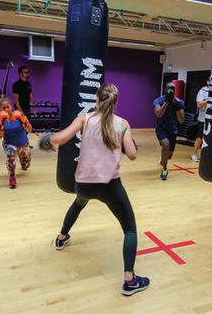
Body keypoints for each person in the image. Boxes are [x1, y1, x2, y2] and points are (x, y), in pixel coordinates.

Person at [39, 83, 148, 296]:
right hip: (110, 187)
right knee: (130, 229)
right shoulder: (122, 124)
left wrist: (46, 140)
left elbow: (61, 138)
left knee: (79, 203)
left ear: (97, 100)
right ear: (116, 103)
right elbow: (133, 155)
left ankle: (61, 237)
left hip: (84, 185)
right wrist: (127, 142)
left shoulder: (85, 119)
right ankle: (130, 281)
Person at [0, 96, 32, 188]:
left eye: (8, 107)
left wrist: (24, 122)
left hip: (23, 143)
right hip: (9, 143)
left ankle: (24, 164)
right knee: (11, 156)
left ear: (11, 107)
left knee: (26, 163)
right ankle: (12, 177)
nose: (7, 109)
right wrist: (1, 125)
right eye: (4, 108)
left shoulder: (19, 116)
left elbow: (29, 130)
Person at [153, 82, 185, 180]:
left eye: (173, 88)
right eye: (169, 88)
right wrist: (166, 102)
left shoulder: (179, 102)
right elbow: (158, 114)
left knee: (169, 155)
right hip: (161, 128)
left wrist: (177, 107)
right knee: (166, 144)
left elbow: (181, 120)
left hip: (172, 130)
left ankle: (163, 160)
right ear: (165, 89)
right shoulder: (159, 100)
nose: (171, 90)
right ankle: (164, 170)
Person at [192, 73, 212, 163]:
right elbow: (199, 104)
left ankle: (208, 156)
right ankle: (194, 154)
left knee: (211, 138)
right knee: (200, 137)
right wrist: (208, 100)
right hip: (203, 119)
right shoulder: (203, 90)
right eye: (211, 80)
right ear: (208, 82)